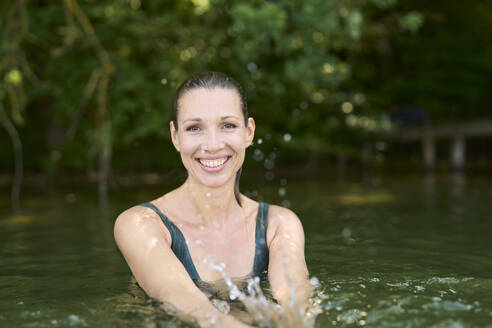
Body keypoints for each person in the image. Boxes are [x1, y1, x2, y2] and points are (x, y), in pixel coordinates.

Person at [114, 72, 312, 327]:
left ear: (248, 132)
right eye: (194, 128)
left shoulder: (279, 224)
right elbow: (196, 310)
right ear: (175, 136)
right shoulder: (140, 224)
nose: (212, 144)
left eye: (228, 125)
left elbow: (297, 308)